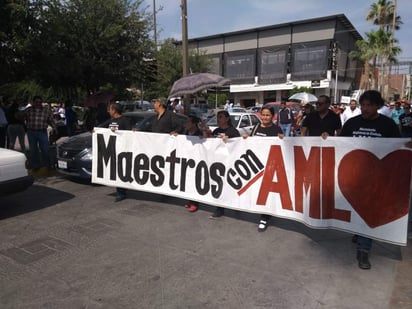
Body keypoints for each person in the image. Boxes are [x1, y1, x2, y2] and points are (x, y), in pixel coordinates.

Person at [340, 90, 401, 270]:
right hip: (354, 176)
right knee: (355, 208)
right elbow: (340, 144)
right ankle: (359, 233)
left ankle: (364, 250)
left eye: (369, 105)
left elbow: (397, 147)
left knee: (369, 211)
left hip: (375, 179)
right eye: (363, 105)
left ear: (378, 106)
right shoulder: (352, 123)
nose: (365, 109)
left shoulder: (387, 125)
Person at [243, 106, 284, 231]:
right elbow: (251, 142)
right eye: (263, 115)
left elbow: (282, 145)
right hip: (256, 164)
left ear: (273, 116)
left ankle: (265, 217)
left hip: (270, 165)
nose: (265, 117)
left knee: (266, 191)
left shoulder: (276, 129)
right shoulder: (256, 127)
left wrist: (282, 139)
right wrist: (246, 138)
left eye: (268, 115)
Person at [204, 110, 240, 218]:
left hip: (229, 163)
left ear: (227, 119)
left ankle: (237, 205)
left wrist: (229, 141)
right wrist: (207, 133)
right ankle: (220, 208)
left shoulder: (233, 131)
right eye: (218, 117)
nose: (218, 119)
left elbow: (238, 146)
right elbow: (210, 143)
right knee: (219, 185)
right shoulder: (216, 130)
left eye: (220, 117)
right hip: (217, 163)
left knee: (230, 185)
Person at [100, 102, 132, 202]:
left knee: (121, 170)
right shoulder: (110, 121)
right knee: (116, 171)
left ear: (114, 110)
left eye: (110, 109)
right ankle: (121, 190)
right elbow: (100, 128)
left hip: (123, 150)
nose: (108, 111)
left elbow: (129, 134)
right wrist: (94, 130)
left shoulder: (125, 121)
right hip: (113, 150)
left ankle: (122, 192)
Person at [25, 95, 55, 173]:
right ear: (33, 102)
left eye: (40, 102)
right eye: (36, 102)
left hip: (42, 132)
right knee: (33, 150)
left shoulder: (46, 110)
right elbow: (21, 117)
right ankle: (36, 166)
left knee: (45, 149)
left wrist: (54, 128)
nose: (38, 103)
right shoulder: (28, 110)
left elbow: (51, 120)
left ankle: (47, 165)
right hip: (31, 132)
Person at [182, 115, 203, 212]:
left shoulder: (199, 133)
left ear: (194, 124)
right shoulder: (186, 133)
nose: (186, 124)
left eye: (188, 122)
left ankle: (195, 203)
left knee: (196, 181)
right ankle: (190, 200)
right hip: (187, 160)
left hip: (197, 161)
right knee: (188, 180)